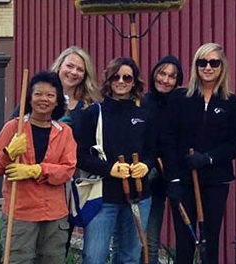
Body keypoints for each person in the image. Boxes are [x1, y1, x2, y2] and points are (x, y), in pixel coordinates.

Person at [164, 43, 236, 264]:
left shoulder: (230, 102)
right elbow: (168, 140)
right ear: (195, 66)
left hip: (215, 182)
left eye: (214, 63)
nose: (208, 67)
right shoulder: (180, 98)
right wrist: (173, 179)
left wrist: (209, 158)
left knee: (210, 240)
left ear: (222, 66)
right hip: (183, 181)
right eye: (202, 62)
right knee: (185, 241)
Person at [0, 71, 77, 264]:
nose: (44, 99)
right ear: (29, 98)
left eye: (50, 95)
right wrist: (8, 153)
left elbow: (67, 170)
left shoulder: (64, 132)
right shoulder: (14, 127)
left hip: (54, 214)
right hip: (21, 213)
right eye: (38, 94)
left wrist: (36, 170)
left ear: (57, 101)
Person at [74, 57, 157, 264]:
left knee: (130, 257)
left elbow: (153, 150)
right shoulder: (94, 113)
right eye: (115, 77)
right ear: (108, 80)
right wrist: (109, 169)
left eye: (127, 77)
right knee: (94, 257)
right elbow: (79, 155)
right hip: (103, 197)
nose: (121, 81)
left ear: (134, 81)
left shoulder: (144, 113)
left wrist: (146, 165)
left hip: (138, 196)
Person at [144, 54, 184, 262]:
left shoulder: (179, 106)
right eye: (162, 73)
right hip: (139, 176)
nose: (165, 80)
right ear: (154, 74)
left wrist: (173, 177)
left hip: (163, 179)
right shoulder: (142, 102)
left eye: (171, 76)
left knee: (151, 240)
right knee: (132, 237)